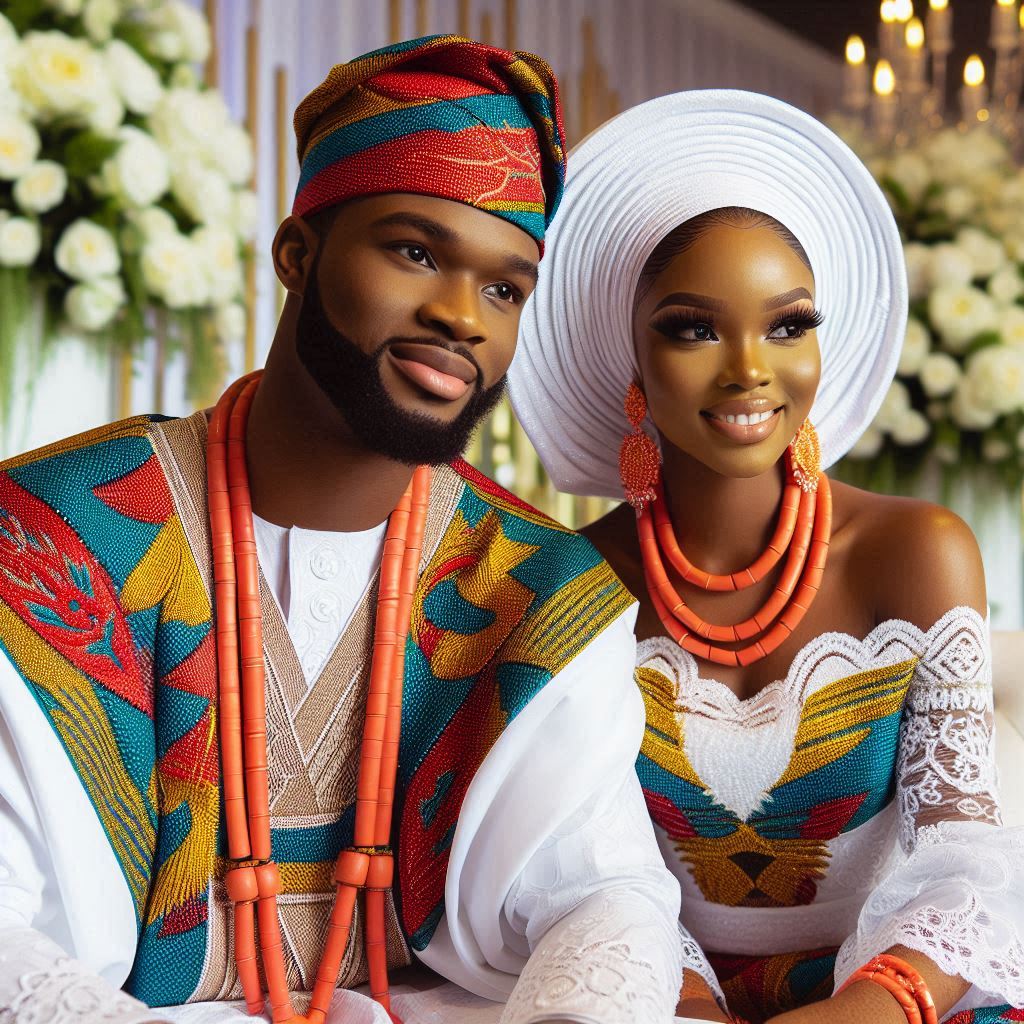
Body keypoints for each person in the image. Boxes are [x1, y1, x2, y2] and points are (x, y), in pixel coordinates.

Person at [0, 36, 685, 1024]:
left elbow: (608, 891)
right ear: (296, 253)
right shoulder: (51, 531)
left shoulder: (530, 583)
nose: (461, 316)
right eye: (415, 251)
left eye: (504, 287)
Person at [510, 89, 1024, 1024]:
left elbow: (966, 858)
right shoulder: (571, 586)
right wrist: (692, 1005)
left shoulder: (919, 555)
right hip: (653, 987)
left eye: (788, 324)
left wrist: (872, 1008)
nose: (751, 366)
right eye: (693, 327)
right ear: (630, 357)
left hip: (900, 987)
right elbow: (582, 871)